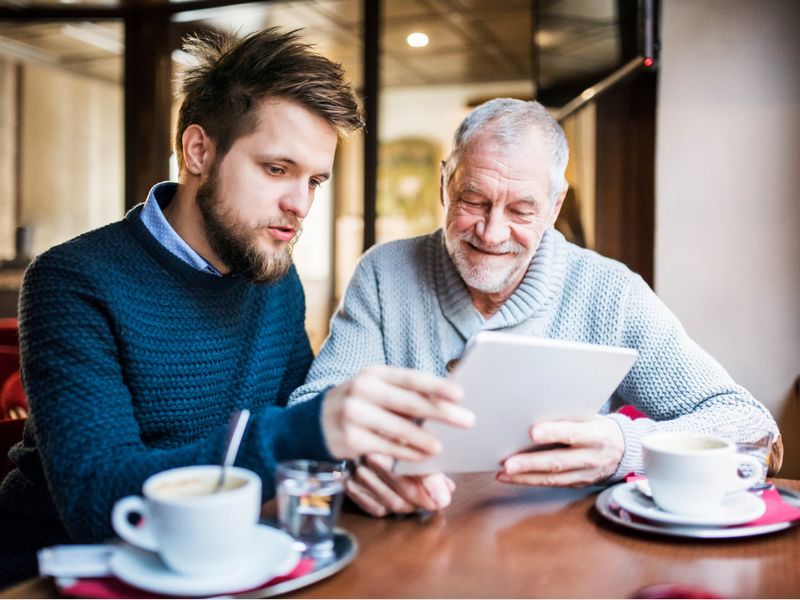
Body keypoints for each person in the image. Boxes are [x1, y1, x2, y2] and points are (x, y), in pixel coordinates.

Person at [0, 29, 474, 589]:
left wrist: (364, 469)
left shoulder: (274, 277)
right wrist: (311, 430)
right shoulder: (72, 280)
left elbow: (296, 436)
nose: (300, 205)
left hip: (226, 560)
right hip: (67, 574)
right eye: (277, 169)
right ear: (198, 151)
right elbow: (100, 500)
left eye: (315, 180)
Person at [289, 98, 780, 517]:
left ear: (555, 204)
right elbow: (311, 408)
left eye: (522, 210)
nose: (492, 233)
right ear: (444, 184)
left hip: (562, 553)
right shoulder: (384, 273)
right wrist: (354, 459)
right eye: (473, 200)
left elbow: (752, 426)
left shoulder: (609, 292)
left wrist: (623, 447)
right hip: (413, 540)